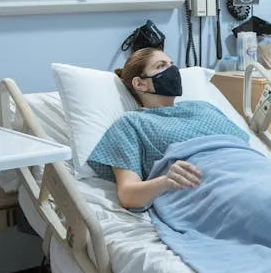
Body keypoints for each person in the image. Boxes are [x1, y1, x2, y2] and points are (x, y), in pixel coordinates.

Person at [86, 48, 250, 210]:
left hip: (251, 170)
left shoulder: (203, 107)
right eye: (161, 66)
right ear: (140, 83)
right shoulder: (132, 123)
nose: (173, 70)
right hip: (211, 189)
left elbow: (244, 146)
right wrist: (164, 181)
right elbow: (127, 195)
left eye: (172, 64)